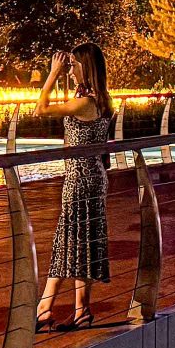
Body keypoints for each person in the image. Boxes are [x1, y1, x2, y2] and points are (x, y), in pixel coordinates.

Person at [34, 43, 114, 330]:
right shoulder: (99, 99)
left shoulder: (85, 104)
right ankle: (77, 309)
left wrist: (52, 74)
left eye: (73, 66)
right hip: (92, 176)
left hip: (80, 178)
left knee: (69, 240)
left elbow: (40, 109)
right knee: (79, 242)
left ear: (86, 67)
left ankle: (47, 309)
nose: (70, 70)